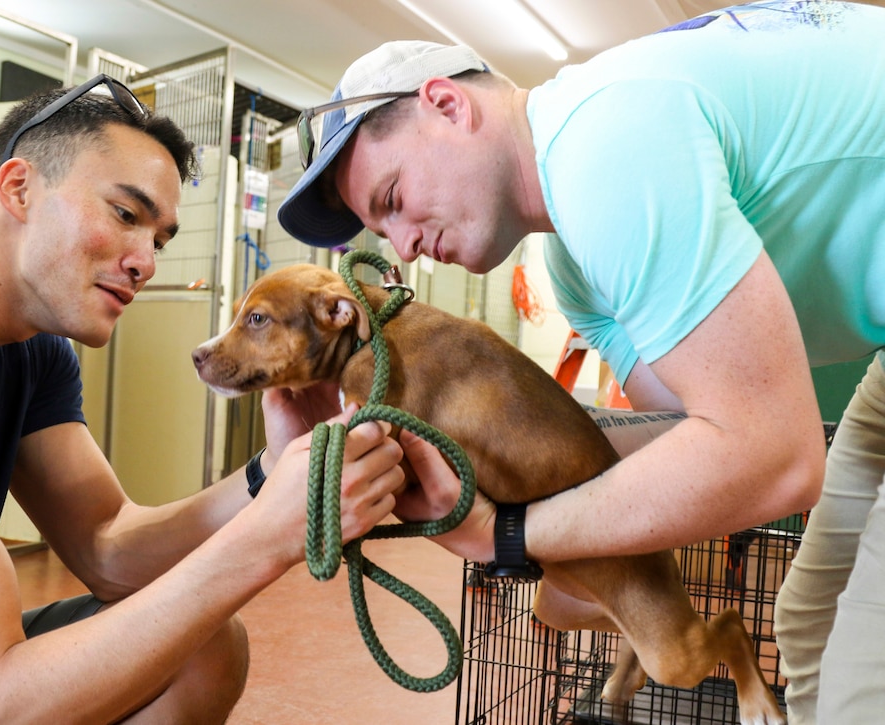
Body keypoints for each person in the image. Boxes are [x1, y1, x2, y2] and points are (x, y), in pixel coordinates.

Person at [275, 2, 885, 722]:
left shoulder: (605, 146)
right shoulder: (573, 265)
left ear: (445, 104)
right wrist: (464, 451)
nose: (404, 246)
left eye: (396, 198)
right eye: (384, 230)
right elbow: (685, 426)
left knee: (859, 691)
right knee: (808, 627)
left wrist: (508, 536)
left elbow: (774, 458)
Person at [0, 74, 407, 723]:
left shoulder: (33, 347)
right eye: (125, 214)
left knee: (204, 645)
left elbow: (108, 546)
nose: (146, 262)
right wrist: (267, 537)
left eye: (161, 239)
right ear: (19, 187)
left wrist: (271, 473)